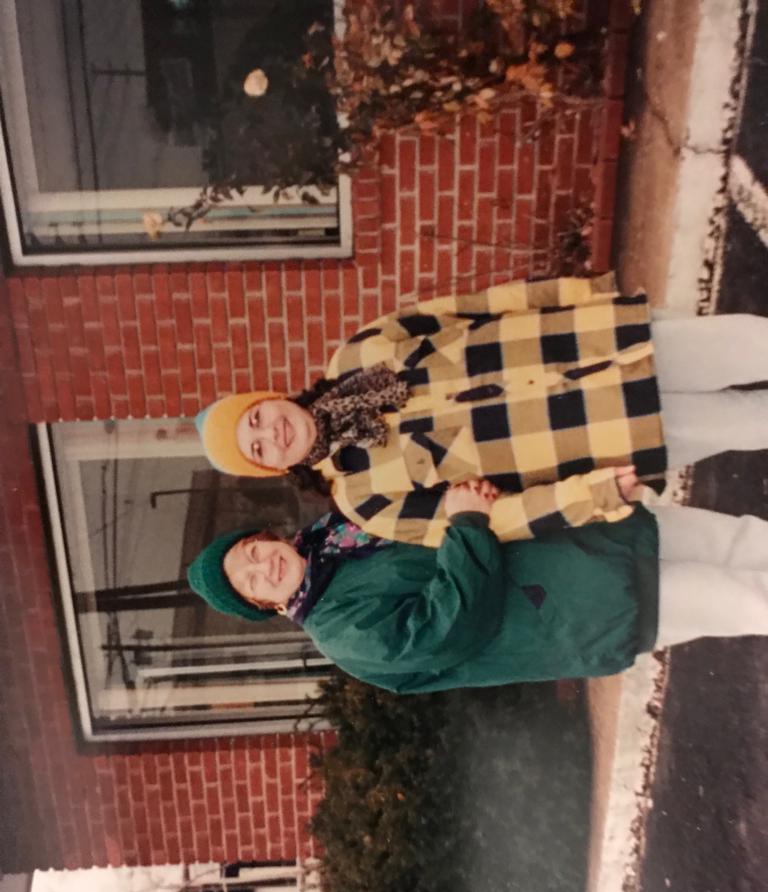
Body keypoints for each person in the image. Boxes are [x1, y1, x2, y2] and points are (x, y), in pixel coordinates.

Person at [195, 273, 768, 546]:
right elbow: (491, 520)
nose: (272, 432)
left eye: (255, 418)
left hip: (594, 343)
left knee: (746, 341)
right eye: (259, 449)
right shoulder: (363, 499)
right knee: (746, 421)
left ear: (265, 398)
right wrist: (590, 496)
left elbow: (469, 309)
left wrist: (576, 293)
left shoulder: (356, 352)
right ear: (272, 468)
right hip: (600, 436)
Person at [186, 481, 768, 694]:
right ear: (261, 605)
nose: (263, 567)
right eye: (250, 581)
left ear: (266, 536)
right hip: (580, 607)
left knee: (745, 544)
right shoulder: (341, 633)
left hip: (591, 537)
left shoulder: (342, 526)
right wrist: (467, 524)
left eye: (252, 553)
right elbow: (451, 627)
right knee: (750, 599)